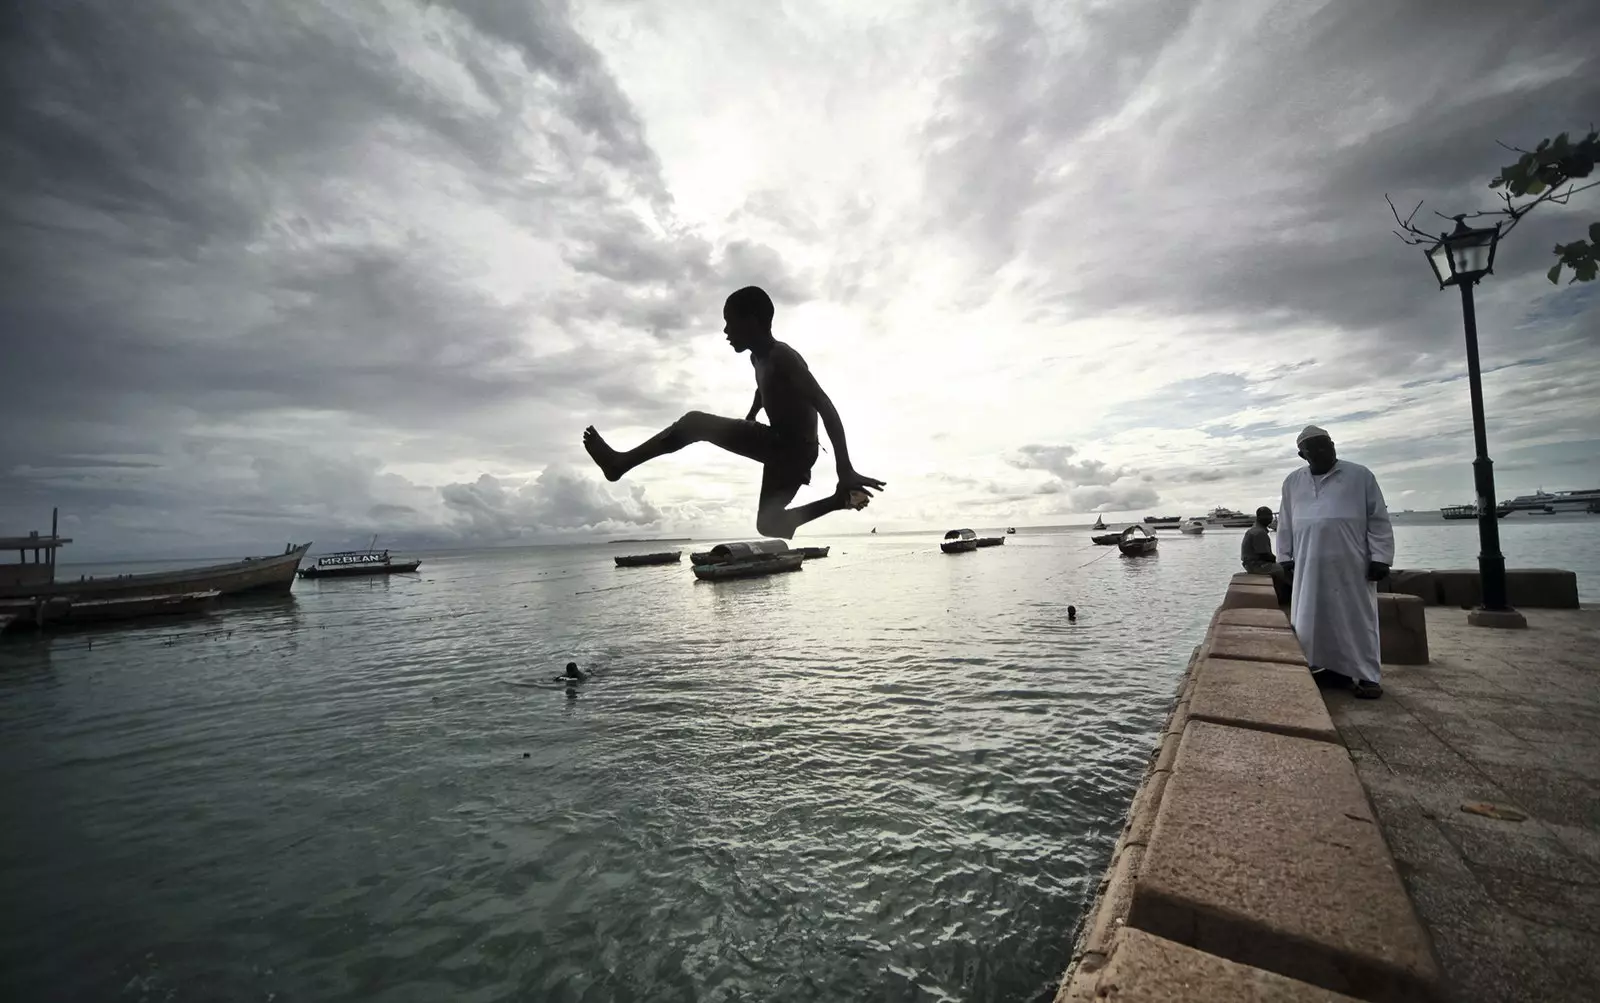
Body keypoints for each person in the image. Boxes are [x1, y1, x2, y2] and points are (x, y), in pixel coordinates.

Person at [582, 286, 885, 539]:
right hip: (788, 451)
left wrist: (844, 468)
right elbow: (763, 390)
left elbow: (826, 406)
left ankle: (619, 463)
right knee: (768, 525)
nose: (725, 331)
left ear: (752, 320)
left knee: (694, 423)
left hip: (791, 446)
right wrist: (752, 413)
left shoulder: (783, 356)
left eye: (730, 322)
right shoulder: (757, 359)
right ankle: (838, 501)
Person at [1277, 426, 1394, 699]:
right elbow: (1286, 523)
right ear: (1301, 454)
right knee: (1312, 620)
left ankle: (1367, 677)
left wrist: (1380, 557)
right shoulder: (1292, 482)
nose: (1322, 451)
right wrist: (1285, 558)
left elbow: (1378, 519)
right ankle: (1326, 668)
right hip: (1308, 566)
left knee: (1356, 619)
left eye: (1326, 444)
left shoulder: (1360, 475)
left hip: (1352, 564)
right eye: (1314, 448)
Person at [1240, 506, 1291, 605]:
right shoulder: (1259, 533)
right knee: (1284, 569)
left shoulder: (1255, 530)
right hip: (1256, 565)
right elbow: (1265, 555)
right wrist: (1275, 560)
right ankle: (1285, 598)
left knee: (1285, 565)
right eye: (1267, 516)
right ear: (1259, 517)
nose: (1270, 518)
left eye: (1271, 515)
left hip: (1252, 563)